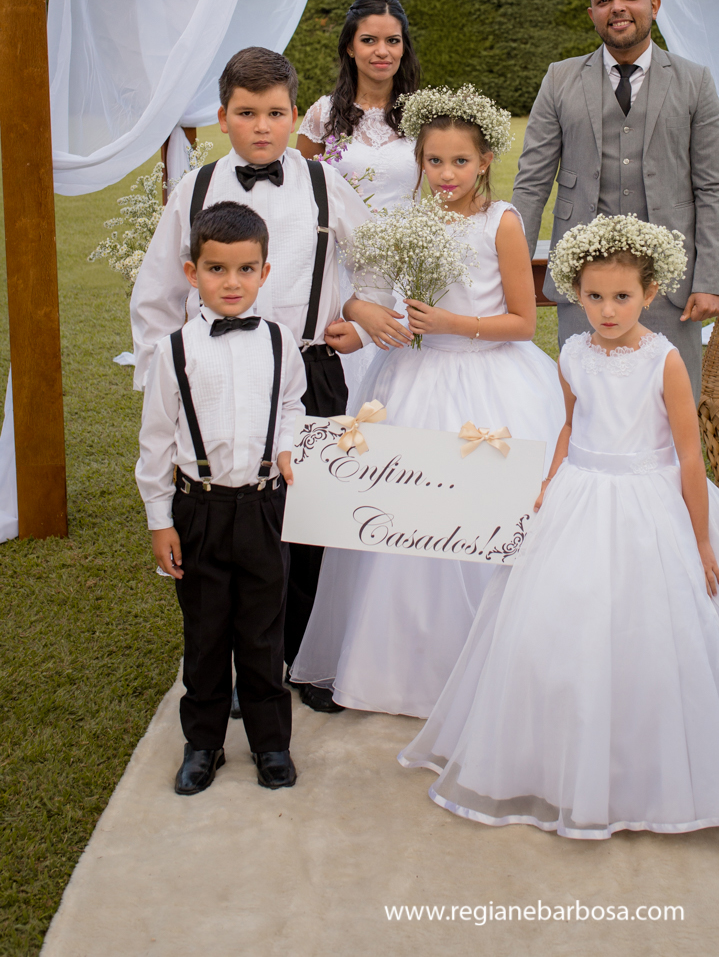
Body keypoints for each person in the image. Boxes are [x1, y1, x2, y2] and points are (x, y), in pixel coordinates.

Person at [399, 216, 719, 837]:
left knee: (658, 629)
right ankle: (559, 760)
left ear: (650, 294)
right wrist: (546, 484)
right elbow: (570, 425)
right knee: (562, 624)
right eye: (593, 296)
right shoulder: (571, 353)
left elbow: (689, 454)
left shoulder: (663, 360)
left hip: (650, 500)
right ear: (573, 293)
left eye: (622, 297)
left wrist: (699, 537)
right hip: (580, 495)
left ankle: (657, 769)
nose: (607, 310)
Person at [131, 47, 398, 713]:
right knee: (230, 515)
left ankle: (304, 660)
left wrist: (358, 323)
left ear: (293, 115)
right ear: (223, 116)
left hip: (308, 367)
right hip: (217, 374)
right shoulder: (194, 190)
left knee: (310, 518)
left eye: (275, 113)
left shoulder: (320, 182)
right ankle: (221, 670)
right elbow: (158, 293)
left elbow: (374, 260)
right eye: (246, 113)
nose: (261, 127)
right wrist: (167, 378)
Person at [292, 85, 564, 718]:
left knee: (486, 517)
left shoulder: (503, 223)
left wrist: (449, 322)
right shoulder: (407, 222)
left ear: (485, 161)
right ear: (419, 162)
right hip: (411, 379)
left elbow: (523, 321)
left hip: (490, 379)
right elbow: (374, 287)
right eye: (434, 162)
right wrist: (367, 318)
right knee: (402, 516)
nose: (446, 175)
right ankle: (399, 665)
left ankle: (493, 662)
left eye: (460, 162)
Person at [136, 201, 306, 795]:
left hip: (263, 507)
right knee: (206, 635)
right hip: (199, 508)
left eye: (244, 270)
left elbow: (290, 407)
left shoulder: (283, 343)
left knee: (263, 633)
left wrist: (286, 449)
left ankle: (271, 744)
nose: (230, 283)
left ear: (264, 272)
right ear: (192, 273)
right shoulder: (173, 351)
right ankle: (203, 743)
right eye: (216, 270)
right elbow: (156, 441)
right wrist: (161, 521)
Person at [512, 0, 719, 399]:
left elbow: (712, 187)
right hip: (583, 285)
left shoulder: (695, 82)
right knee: (587, 405)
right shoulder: (559, 79)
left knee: (672, 407)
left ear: (653, 4)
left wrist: (710, 280)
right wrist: (510, 270)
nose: (618, 7)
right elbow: (531, 183)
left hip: (669, 286)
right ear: (591, 12)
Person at [296, 0, 420, 396]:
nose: (381, 51)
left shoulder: (425, 115)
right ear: (350, 46)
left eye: (392, 40)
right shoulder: (323, 114)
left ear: (404, 47)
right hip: (342, 267)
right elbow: (303, 194)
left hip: (411, 264)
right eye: (369, 40)